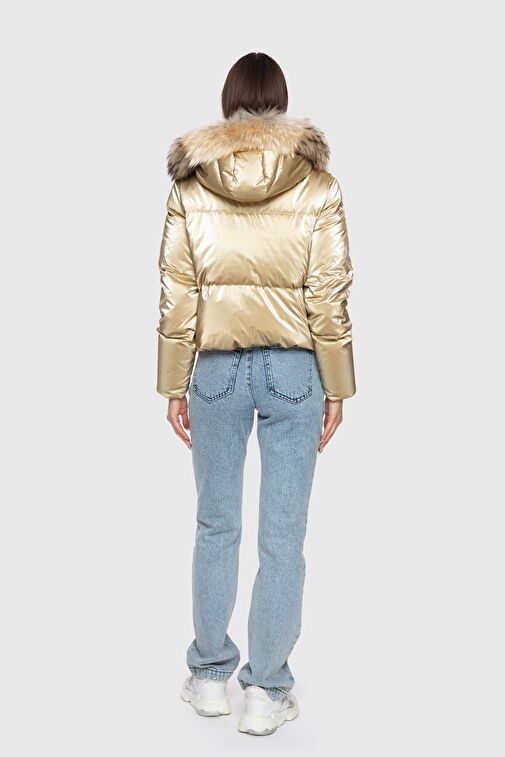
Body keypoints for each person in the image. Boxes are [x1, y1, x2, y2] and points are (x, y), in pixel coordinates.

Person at [156, 51, 356, 736]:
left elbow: (178, 292)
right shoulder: (318, 185)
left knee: (216, 524)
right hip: (295, 370)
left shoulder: (191, 184)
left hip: (213, 369)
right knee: (283, 535)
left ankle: (210, 677)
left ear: (228, 104)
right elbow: (328, 293)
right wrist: (338, 384)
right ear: (282, 104)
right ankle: (266, 691)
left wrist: (172, 382)